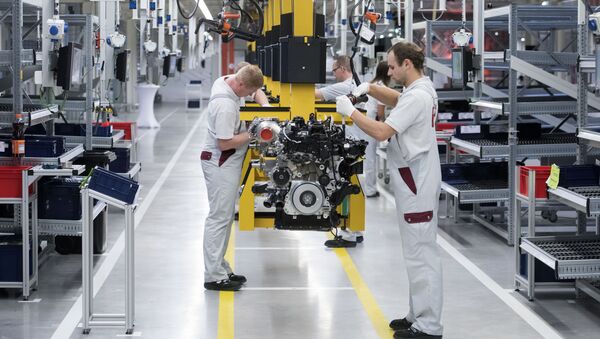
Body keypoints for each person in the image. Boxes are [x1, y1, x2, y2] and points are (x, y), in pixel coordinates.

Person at [335, 42, 443, 338]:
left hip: (416, 183)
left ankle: (429, 326)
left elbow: (382, 132)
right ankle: (417, 314)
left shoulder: (417, 97)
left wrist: (351, 113)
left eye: (393, 66)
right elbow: (399, 98)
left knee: (421, 254)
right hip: (417, 179)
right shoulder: (422, 89)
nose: (390, 71)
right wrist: (369, 88)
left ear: (408, 64)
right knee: (415, 252)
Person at [201, 65, 265, 291]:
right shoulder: (225, 105)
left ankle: (220, 267)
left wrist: (264, 106)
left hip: (226, 160)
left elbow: (254, 88)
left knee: (225, 216)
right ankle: (213, 276)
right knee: (219, 217)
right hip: (221, 160)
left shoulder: (228, 79)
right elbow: (224, 142)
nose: (250, 97)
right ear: (240, 85)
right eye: (248, 92)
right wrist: (253, 133)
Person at [362, 61, 391, 198]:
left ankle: (369, 187)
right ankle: (370, 190)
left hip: (364, 121)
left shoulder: (372, 83)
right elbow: (380, 113)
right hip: (371, 124)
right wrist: (387, 126)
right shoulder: (382, 87)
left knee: (368, 157)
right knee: (371, 158)